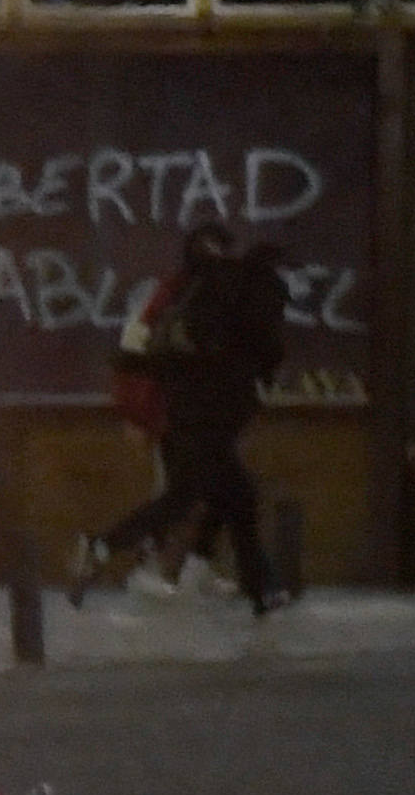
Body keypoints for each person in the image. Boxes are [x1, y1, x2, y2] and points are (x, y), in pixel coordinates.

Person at [78, 223, 288, 612]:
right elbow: (153, 353)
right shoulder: (195, 296)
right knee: (210, 495)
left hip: (180, 410)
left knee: (205, 495)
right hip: (184, 413)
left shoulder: (193, 293)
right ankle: (146, 561)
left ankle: (193, 568)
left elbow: (147, 352)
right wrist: (140, 413)